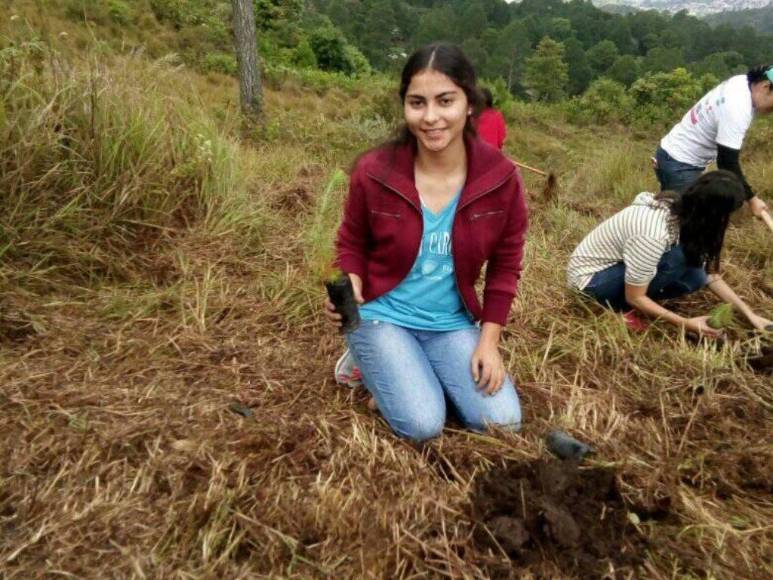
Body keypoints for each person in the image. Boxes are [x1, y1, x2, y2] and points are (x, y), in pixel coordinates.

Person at [324, 43, 528, 443]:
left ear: (469, 103)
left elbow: (506, 265)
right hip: (381, 314)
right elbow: (351, 240)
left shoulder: (499, 179)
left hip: (450, 323)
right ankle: (371, 360)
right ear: (405, 106)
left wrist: (489, 342)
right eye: (417, 103)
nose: (431, 117)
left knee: (503, 422)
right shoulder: (375, 171)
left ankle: (406, 373)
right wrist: (351, 281)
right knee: (422, 424)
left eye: (445, 101)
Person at [567, 170, 771, 337]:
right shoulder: (653, 234)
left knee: (696, 276)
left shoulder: (683, 215)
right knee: (678, 259)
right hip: (590, 283)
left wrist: (750, 315)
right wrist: (687, 324)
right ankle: (618, 310)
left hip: (615, 271)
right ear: (713, 214)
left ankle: (636, 299)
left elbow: (711, 276)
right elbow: (635, 297)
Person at [654, 65, 773, 219]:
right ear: (765, 86)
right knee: (685, 227)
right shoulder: (737, 108)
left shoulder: (741, 82)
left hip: (674, 155)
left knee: (679, 213)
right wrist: (752, 200)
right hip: (679, 164)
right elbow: (727, 163)